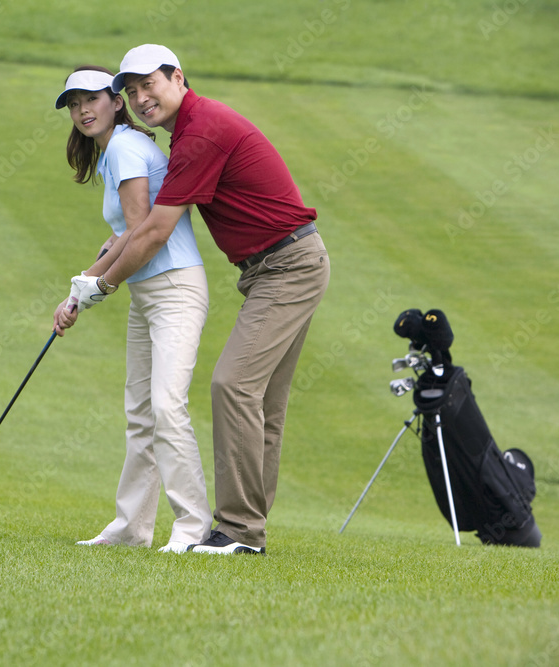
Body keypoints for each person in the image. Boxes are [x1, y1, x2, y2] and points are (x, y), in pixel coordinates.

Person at [67, 45, 330, 555]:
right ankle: (244, 530)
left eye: (151, 86)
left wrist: (100, 286)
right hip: (271, 268)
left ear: (177, 78)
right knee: (262, 406)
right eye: (134, 90)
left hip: (288, 266)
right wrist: (99, 267)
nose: (142, 98)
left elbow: (153, 233)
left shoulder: (201, 131)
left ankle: (237, 530)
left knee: (232, 386)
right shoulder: (184, 134)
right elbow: (137, 228)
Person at [51, 66, 213, 554]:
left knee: (166, 406)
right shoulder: (116, 151)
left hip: (174, 288)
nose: (83, 110)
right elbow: (125, 234)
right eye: (74, 102)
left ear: (116, 101)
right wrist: (80, 290)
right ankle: (131, 528)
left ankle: (192, 528)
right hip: (149, 292)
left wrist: (98, 286)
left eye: (92, 99)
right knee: (141, 413)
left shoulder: (123, 148)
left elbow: (142, 231)